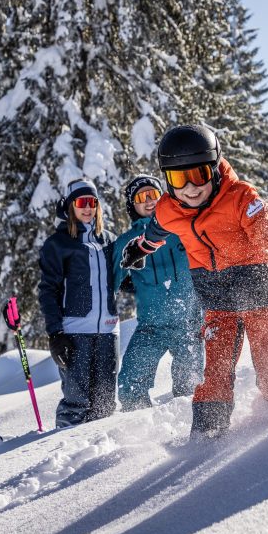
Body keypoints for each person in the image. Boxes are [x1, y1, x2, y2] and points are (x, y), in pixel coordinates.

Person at [120, 124, 268, 439]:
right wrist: (140, 248)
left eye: (198, 175)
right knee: (214, 378)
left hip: (261, 295)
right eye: (179, 179)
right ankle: (205, 439)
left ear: (213, 168)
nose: (190, 188)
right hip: (218, 302)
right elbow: (156, 232)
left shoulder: (241, 198)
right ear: (168, 180)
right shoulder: (168, 208)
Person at [112, 175, 204, 411]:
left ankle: (187, 427)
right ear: (132, 205)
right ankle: (142, 427)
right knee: (130, 385)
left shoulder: (182, 227)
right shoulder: (125, 243)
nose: (149, 200)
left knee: (191, 387)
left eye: (153, 194)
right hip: (151, 327)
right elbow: (109, 281)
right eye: (141, 197)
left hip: (189, 324)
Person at [38, 179, 119, 427]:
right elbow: (48, 290)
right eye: (82, 202)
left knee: (105, 403)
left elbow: (123, 279)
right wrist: (55, 333)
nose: (88, 208)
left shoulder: (110, 240)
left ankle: (99, 449)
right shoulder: (58, 244)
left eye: (92, 202)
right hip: (75, 332)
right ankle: (66, 445)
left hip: (108, 331)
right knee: (76, 401)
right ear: (70, 205)